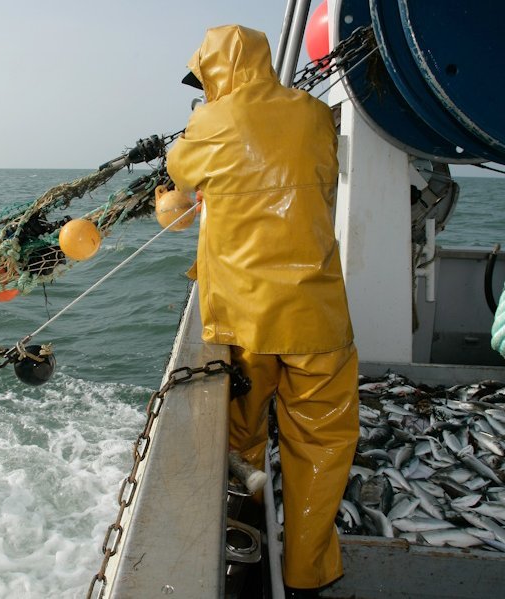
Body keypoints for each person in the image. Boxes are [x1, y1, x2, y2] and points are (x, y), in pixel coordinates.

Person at [166, 24, 360, 597]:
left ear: (217, 72)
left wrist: (198, 133)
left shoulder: (207, 123)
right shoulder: (314, 114)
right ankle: (308, 574)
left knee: (242, 436)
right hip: (318, 320)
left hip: (247, 326)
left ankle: (244, 542)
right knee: (322, 443)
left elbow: (177, 181)